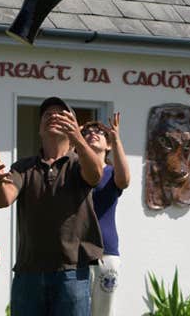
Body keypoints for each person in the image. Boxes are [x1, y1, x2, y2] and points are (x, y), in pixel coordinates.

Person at [0, 96, 104, 316]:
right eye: (47, 114)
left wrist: (78, 138)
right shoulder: (23, 167)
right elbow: (3, 199)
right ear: (40, 129)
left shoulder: (79, 162)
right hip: (29, 274)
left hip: (72, 273)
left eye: (60, 114)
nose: (52, 116)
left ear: (72, 124)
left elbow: (95, 175)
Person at [81, 113, 130, 316]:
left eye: (99, 132)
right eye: (87, 133)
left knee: (103, 312)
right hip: (77, 253)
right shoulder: (74, 171)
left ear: (108, 144)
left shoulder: (111, 172)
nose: (93, 134)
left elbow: (125, 179)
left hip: (106, 253)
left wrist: (116, 137)